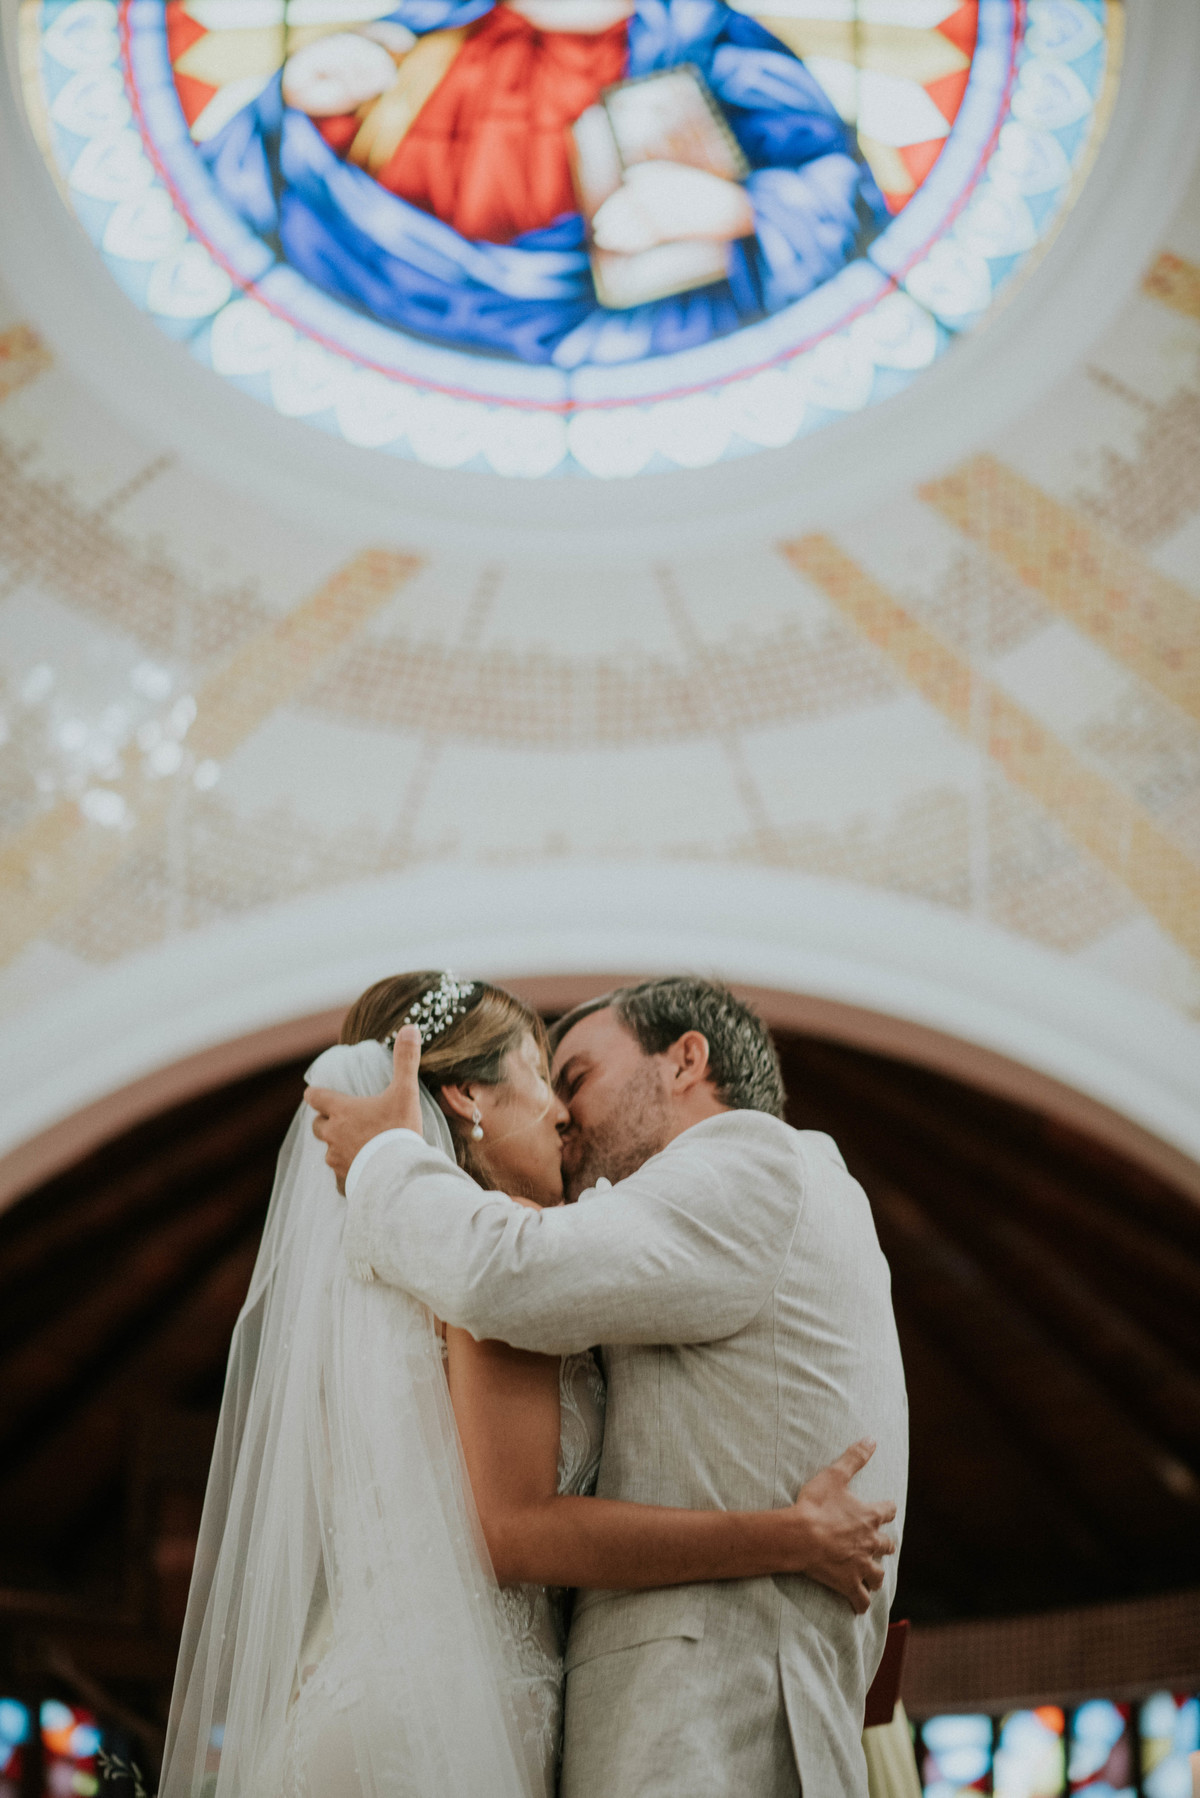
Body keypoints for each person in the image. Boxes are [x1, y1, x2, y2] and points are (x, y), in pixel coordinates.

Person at [161, 972, 899, 1798]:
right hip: (449, 1717)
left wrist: (384, 1158)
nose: (564, 1114)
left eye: (574, 1077)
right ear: (470, 1098)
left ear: (686, 1060)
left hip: (675, 1728)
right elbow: (513, 1526)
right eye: (547, 1080)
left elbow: (510, 1277)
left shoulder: (744, 1165)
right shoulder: (472, 1260)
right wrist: (787, 1536)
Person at [193, 0, 887, 366]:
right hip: (370, 322)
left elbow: (843, 207)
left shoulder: (723, 54)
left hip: (636, 356)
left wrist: (733, 209)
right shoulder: (422, 33)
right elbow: (271, 186)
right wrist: (309, 102)